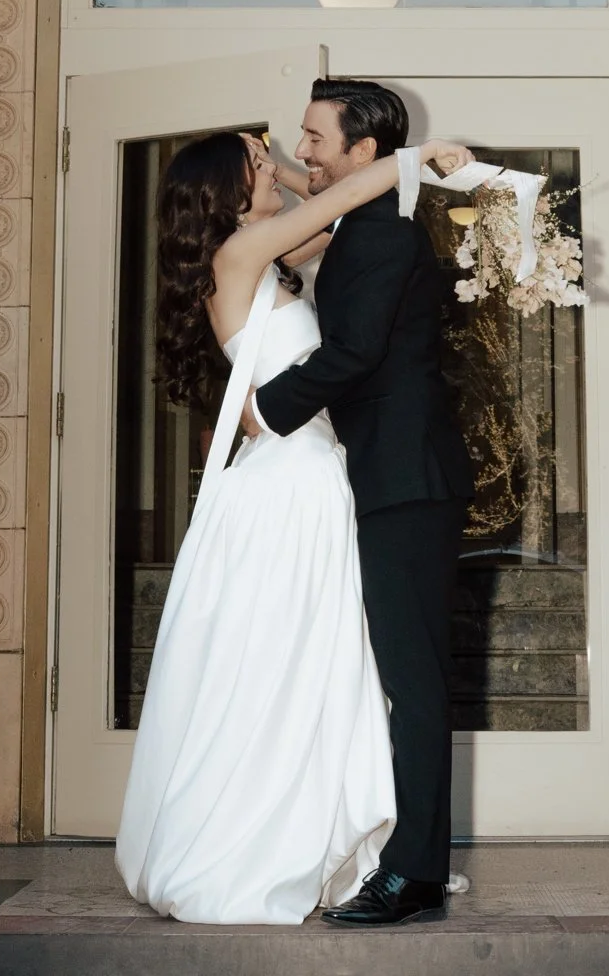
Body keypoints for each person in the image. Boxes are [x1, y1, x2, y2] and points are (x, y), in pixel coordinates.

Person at [115, 122, 473, 925]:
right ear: (230, 190)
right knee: (281, 668)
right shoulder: (241, 256)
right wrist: (416, 159)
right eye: (259, 165)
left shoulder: (267, 253)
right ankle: (256, 844)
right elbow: (344, 192)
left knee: (313, 668)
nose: (280, 169)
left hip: (313, 482)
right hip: (290, 489)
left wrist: (274, 159)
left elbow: (331, 206)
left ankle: (320, 837)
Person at [248, 78, 477, 928]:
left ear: (365, 151)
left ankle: (415, 873)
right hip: (387, 478)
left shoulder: (379, 239)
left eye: (314, 137)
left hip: (407, 481)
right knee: (400, 680)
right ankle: (403, 857)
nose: (301, 151)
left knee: (413, 685)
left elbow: (350, 355)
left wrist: (260, 418)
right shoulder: (354, 230)